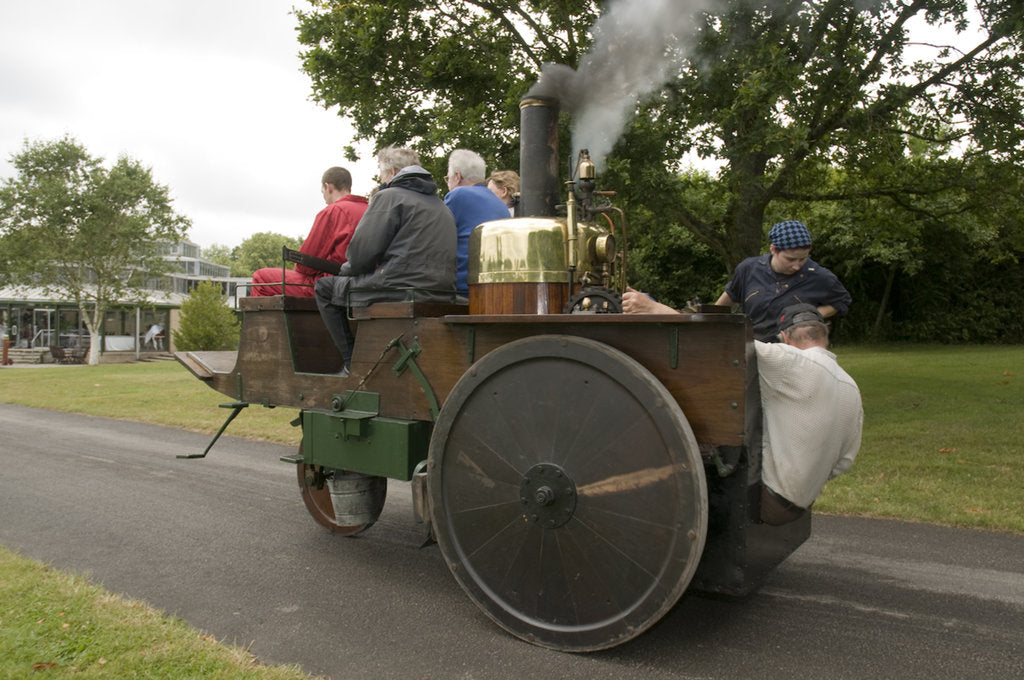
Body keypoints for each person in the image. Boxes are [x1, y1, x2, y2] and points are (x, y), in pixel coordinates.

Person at [315, 146, 457, 375]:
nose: (381, 180)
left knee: (324, 288)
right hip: (440, 290)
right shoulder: (440, 206)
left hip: (399, 287)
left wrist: (345, 271)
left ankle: (352, 363)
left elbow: (360, 255)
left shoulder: (389, 197)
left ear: (391, 172)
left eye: (381, 175)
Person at [622, 220, 851, 341]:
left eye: (803, 259)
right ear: (773, 250)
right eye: (791, 259)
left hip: (793, 353)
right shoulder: (749, 269)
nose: (797, 265)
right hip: (751, 347)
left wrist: (809, 316)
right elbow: (720, 309)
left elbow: (842, 302)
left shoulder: (819, 276)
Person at [755, 303, 863, 525]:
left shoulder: (788, 361)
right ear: (825, 335)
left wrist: (661, 307)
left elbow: (725, 338)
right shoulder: (851, 386)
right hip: (804, 500)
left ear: (784, 337)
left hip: (770, 497)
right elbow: (844, 462)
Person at [250, 167, 369, 297]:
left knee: (261, 277)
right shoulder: (369, 210)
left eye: (322, 191)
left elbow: (305, 265)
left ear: (328, 187)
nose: (324, 197)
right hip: (363, 281)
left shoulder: (333, 211)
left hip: (331, 283)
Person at [444, 149, 512, 296]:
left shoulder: (458, 195)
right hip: (493, 288)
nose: (448, 183)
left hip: (463, 289)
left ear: (457, 176)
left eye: (447, 178)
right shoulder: (501, 204)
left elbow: (436, 240)